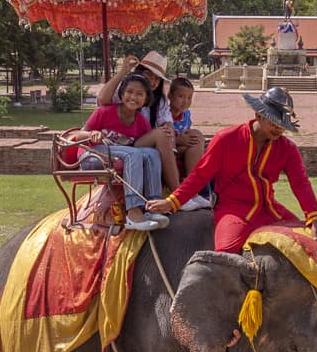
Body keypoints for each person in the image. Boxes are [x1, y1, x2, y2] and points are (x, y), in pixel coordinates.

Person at [146, 86, 317, 252]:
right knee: (225, 254)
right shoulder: (226, 139)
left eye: (282, 126)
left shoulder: (287, 149)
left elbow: (300, 184)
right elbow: (200, 175)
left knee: (311, 245)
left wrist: (315, 219)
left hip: (270, 210)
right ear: (258, 114)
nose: (278, 130)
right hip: (233, 210)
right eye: (274, 124)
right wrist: (172, 202)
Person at [69, 73, 169, 231]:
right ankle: (133, 211)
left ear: (145, 100)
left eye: (139, 94)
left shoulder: (141, 123)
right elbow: (75, 135)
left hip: (117, 156)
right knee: (133, 154)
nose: (133, 97)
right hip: (92, 155)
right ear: (121, 94)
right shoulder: (104, 112)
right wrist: (91, 134)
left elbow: (144, 149)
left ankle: (153, 205)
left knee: (151, 154)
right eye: (129, 92)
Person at [97, 52, 181, 193]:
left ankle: (198, 190)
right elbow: (102, 100)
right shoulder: (126, 91)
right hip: (121, 141)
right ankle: (178, 192)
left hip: (143, 140)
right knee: (161, 135)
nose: (153, 82)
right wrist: (123, 71)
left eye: (157, 79)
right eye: (149, 76)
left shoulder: (158, 100)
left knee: (194, 137)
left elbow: (167, 125)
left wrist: (171, 140)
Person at [167, 76, 211, 211]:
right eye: (181, 96)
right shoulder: (165, 113)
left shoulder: (186, 115)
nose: (185, 101)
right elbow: (165, 138)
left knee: (197, 137)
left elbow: (187, 134)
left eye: (189, 98)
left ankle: (194, 191)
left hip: (182, 148)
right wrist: (179, 140)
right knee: (196, 138)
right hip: (169, 149)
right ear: (170, 96)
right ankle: (189, 191)